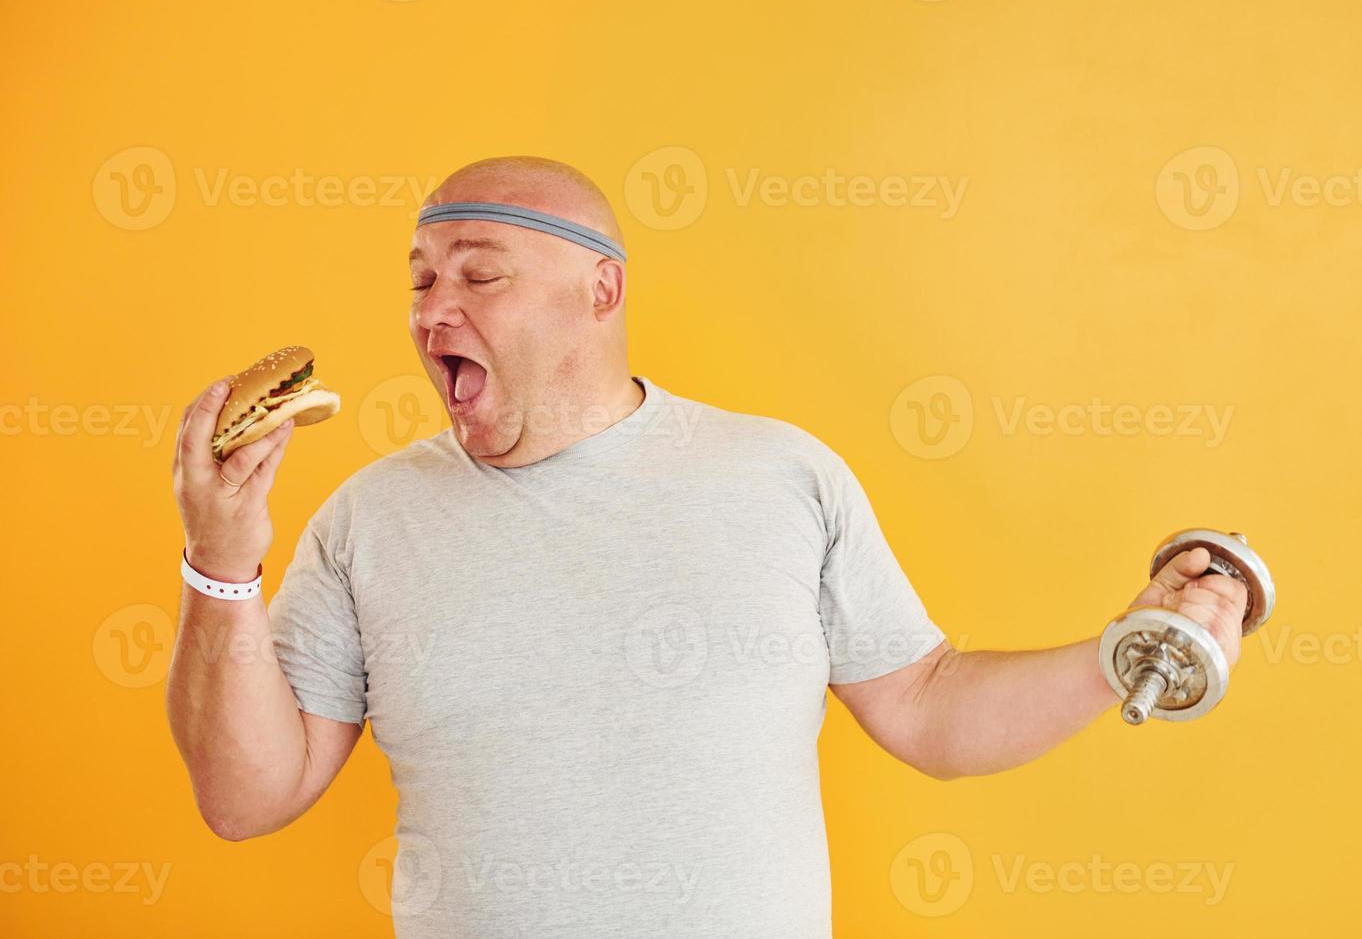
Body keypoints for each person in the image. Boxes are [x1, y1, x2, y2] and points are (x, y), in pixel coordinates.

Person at [167, 155, 1246, 938]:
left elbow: (927, 703)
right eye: (420, 279)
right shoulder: (369, 516)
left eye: (478, 275)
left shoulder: (781, 476)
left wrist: (1127, 650)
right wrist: (220, 562)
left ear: (601, 289)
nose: (432, 307)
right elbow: (245, 794)